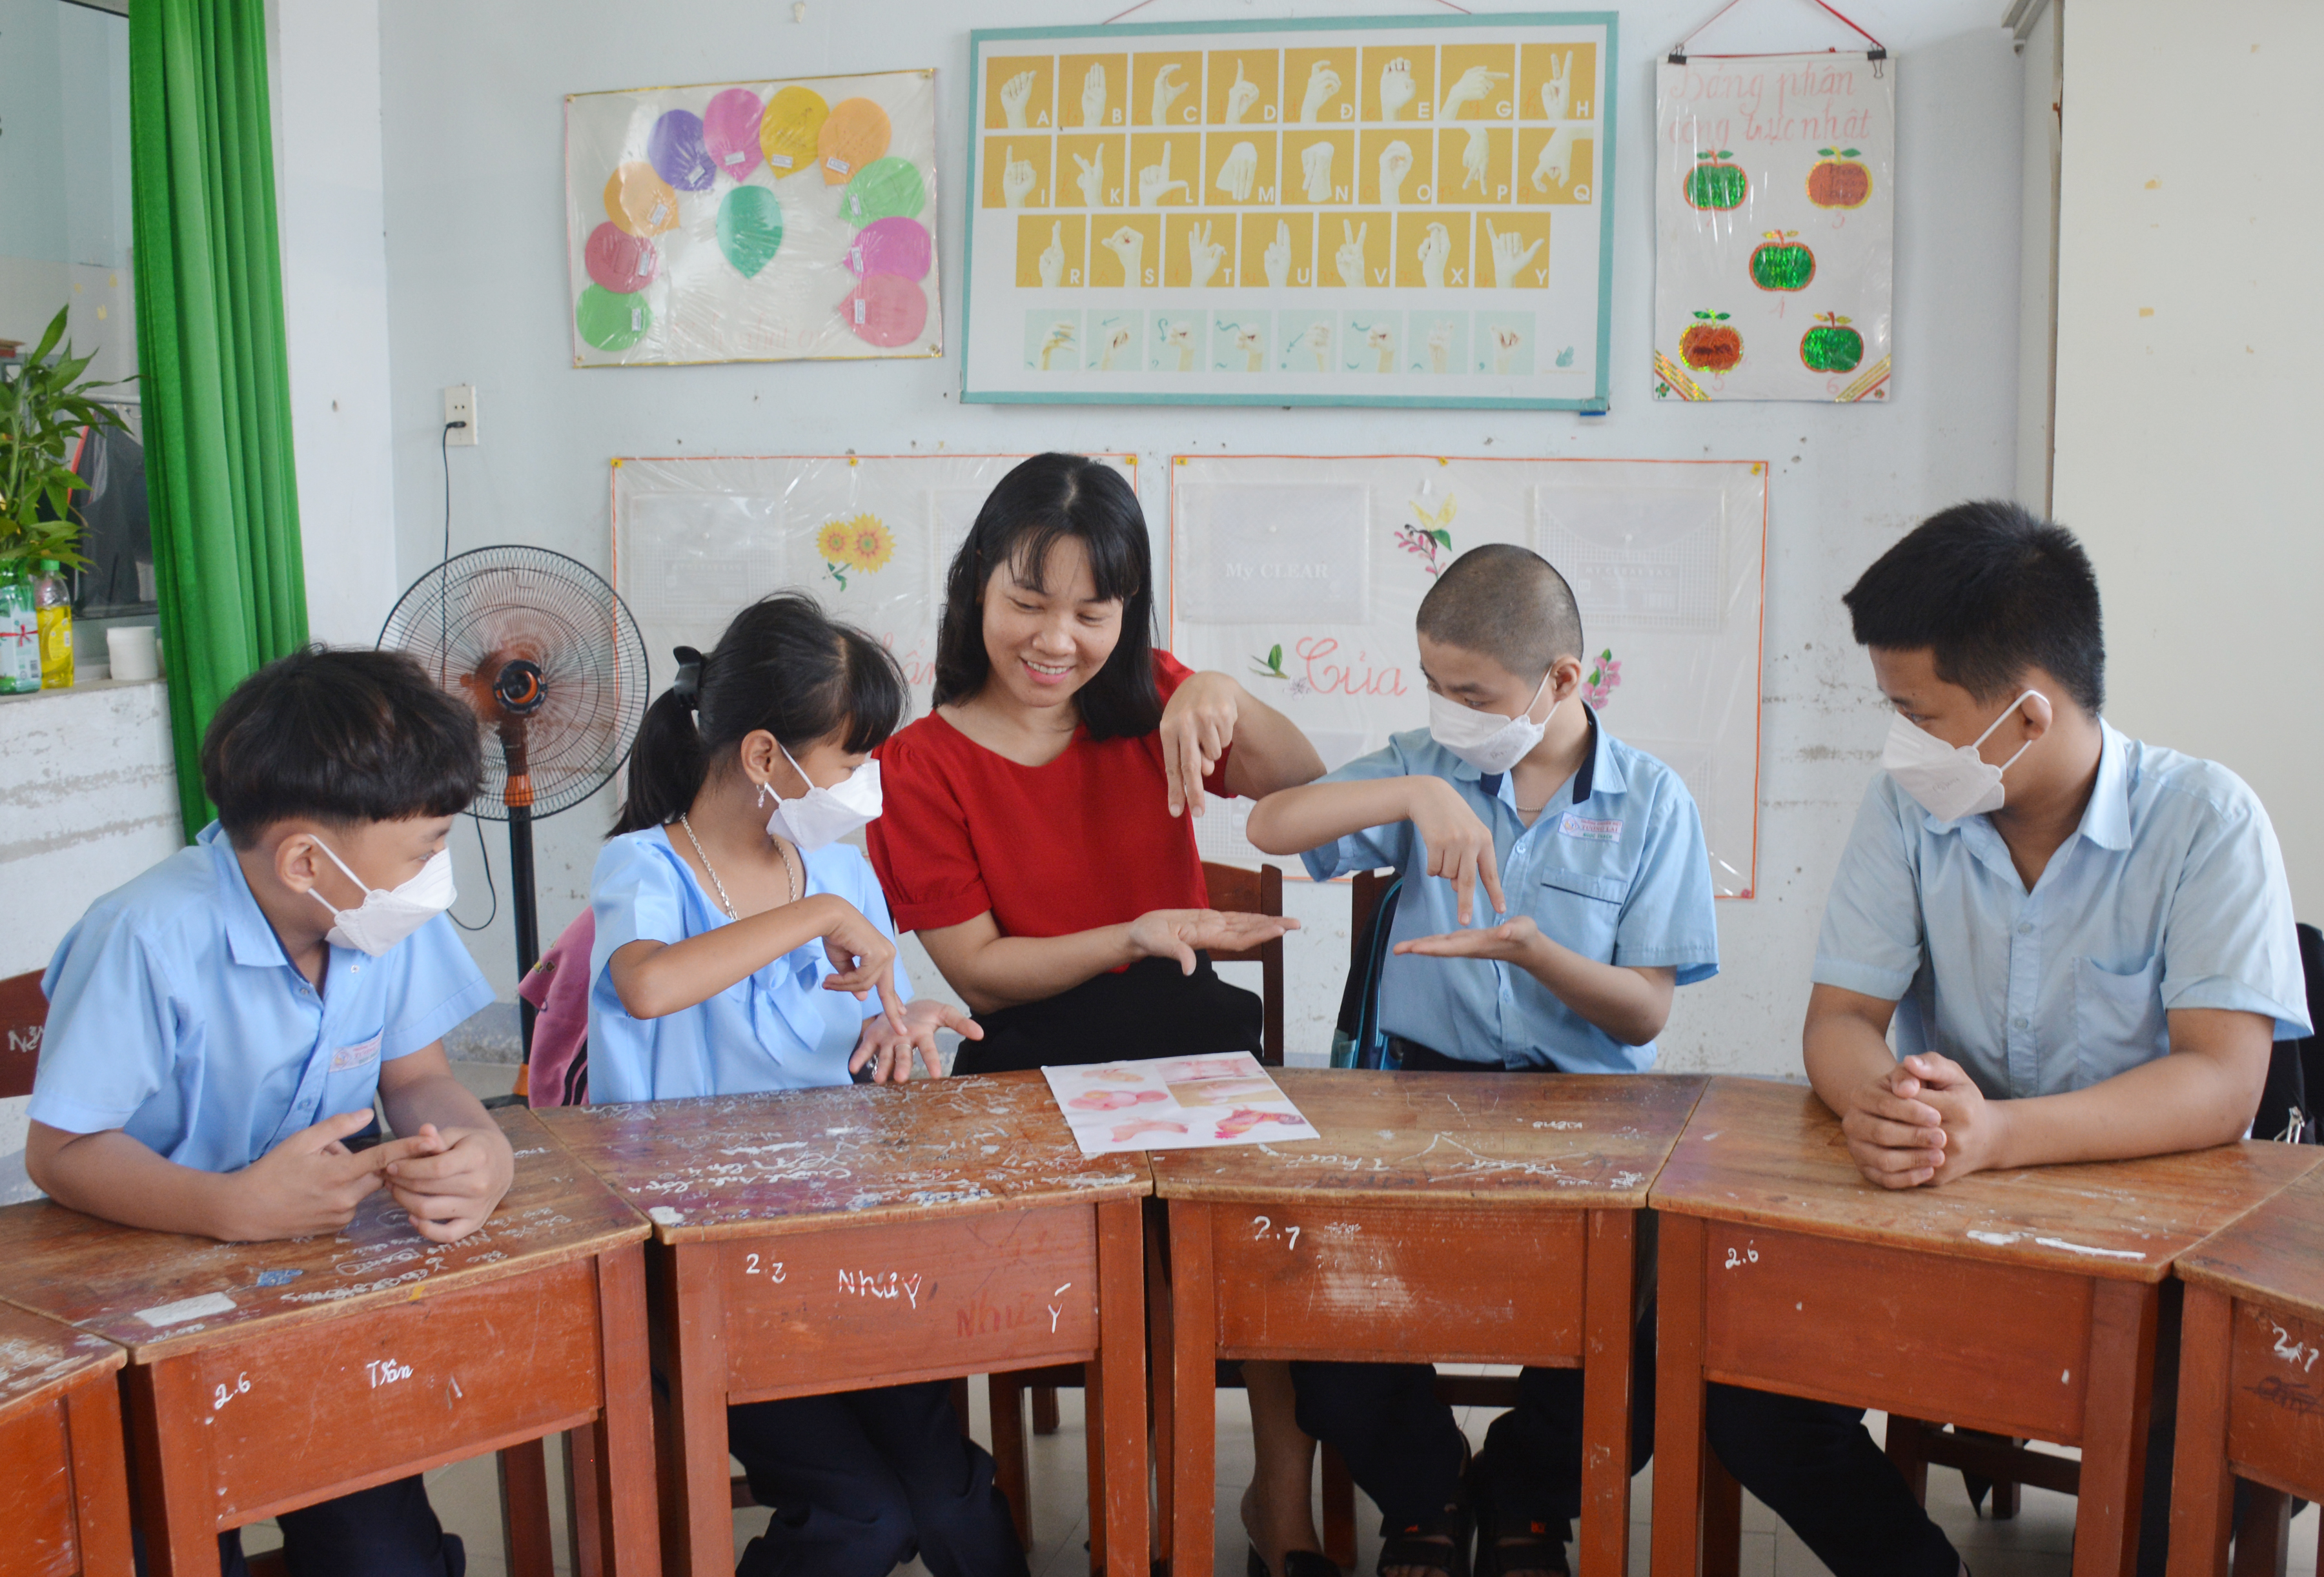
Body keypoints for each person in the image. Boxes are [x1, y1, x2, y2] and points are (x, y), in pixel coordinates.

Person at [1713, 501, 2307, 1577]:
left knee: (2196, 1450)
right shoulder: (1908, 810)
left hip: (2155, 1243)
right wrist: (1885, 1108)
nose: (1900, 741)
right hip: (1950, 1209)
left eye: (1918, 710)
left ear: (2027, 717)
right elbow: (1841, 1023)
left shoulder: (2207, 822)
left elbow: (2223, 1082)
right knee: (1748, 1388)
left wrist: (1996, 1135)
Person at [867, 452, 1329, 1577]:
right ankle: (1154, 1527)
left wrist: (1222, 690)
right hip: (1027, 1053)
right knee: (1153, 1262)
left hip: (1178, 1032)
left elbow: (1303, 787)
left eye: (1092, 610)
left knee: (1257, 1234)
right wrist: (1132, 934)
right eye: (1028, 602)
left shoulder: (1149, 699)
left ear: (1129, 613)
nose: (1056, 639)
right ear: (975, 587)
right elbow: (978, 974)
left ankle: (1281, 1502)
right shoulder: (917, 764)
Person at [1245, 543, 1719, 1577]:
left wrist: (1534, 952)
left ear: (1561, 681)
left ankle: (1526, 1496)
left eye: (1473, 692)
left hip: (1588, 1117)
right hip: (1417, 1097)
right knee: (1328, 1336)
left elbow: (1642, 1014)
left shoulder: (1650, 803)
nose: (1450, 709)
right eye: (1434, 684)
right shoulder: (1430, 763)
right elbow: (1274, 822)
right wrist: (1411, 796)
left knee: (1642, 1352)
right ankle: (1426, 1495)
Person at [26, 646, 511, 1577]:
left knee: (388, 1562)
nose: (435, 875)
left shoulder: (375, 909)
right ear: (305, 859)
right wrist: (234, 1208)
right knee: (175, 1543)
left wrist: (484, 1150)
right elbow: (62, 1152)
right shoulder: (149, 935)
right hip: (142, 1308)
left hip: (311, 1298)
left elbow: (416, 1079)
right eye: (427, 849)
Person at [587, 591, 1006, 1577]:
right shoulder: (644, 868)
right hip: (713, 1268)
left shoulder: (836, 867)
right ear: (766, 757)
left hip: (845, 1240)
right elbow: (647, 985)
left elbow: (874, 1027)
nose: (866, 785)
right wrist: (817, 909)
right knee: (862, 1516)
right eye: (852, 762)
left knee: (946, 1490)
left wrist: (904, 1033)